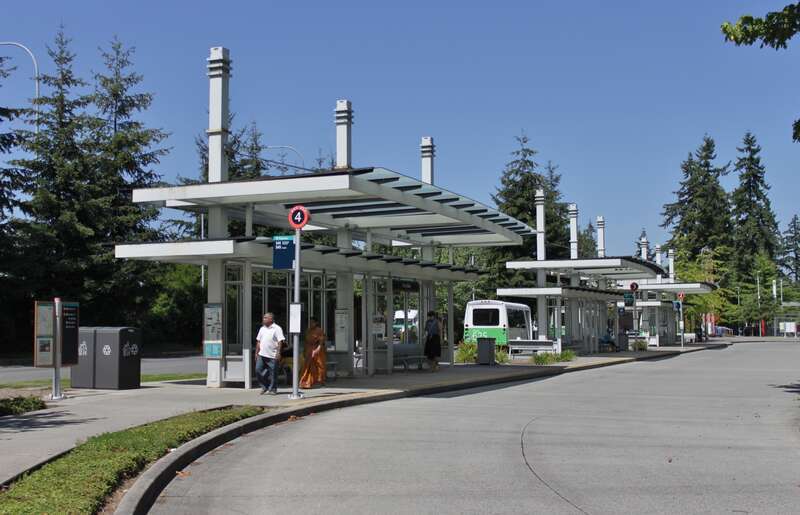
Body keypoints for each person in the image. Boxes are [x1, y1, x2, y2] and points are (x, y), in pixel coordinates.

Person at [255, 312, 285, 395]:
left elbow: (280, 341)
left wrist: (278, 353)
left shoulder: (277, 328)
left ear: (271, 319)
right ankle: (265, 386)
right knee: (258, 370)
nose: (263, 319)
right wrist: (256, 353)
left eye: (265, 318)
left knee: (273, 373)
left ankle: (272, 389)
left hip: (272, 355)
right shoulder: (262, 329)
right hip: (262, 354)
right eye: (264, 317)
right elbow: (258, 341)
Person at [299, 317, 327, 389]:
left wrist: (318, 349)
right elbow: (306, 341)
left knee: (319, 366)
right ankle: (306, 382)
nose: (311, 324)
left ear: (316, 323)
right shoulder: (308, 331)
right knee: (307, 366)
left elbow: (321, 341)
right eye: (310, 322)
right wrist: (304, 350)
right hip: (309, 349)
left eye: (312, 322)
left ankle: (320, 381)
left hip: (317, 350)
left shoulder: (319, 330)